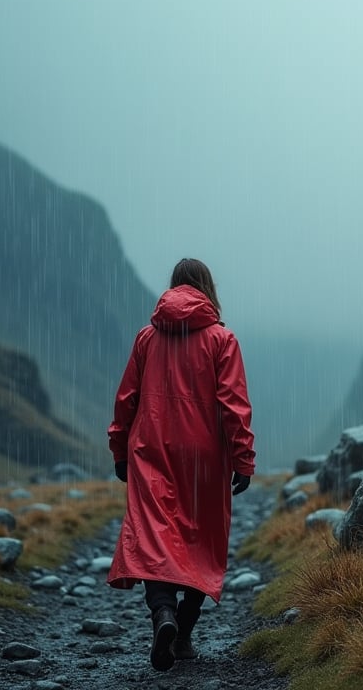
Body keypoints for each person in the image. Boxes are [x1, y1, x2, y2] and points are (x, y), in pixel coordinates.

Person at [105, 258, 256, 672]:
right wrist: (242, 458)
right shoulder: (222, 340)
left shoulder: (146, 339)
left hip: (150, 450)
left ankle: (163, 616)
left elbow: (126, 401)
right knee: (200, 541)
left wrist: (120, 449)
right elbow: (234, 407)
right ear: (207, 288)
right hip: (203, 457)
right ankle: (184, 634)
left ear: (174, 287)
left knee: (155, 537)